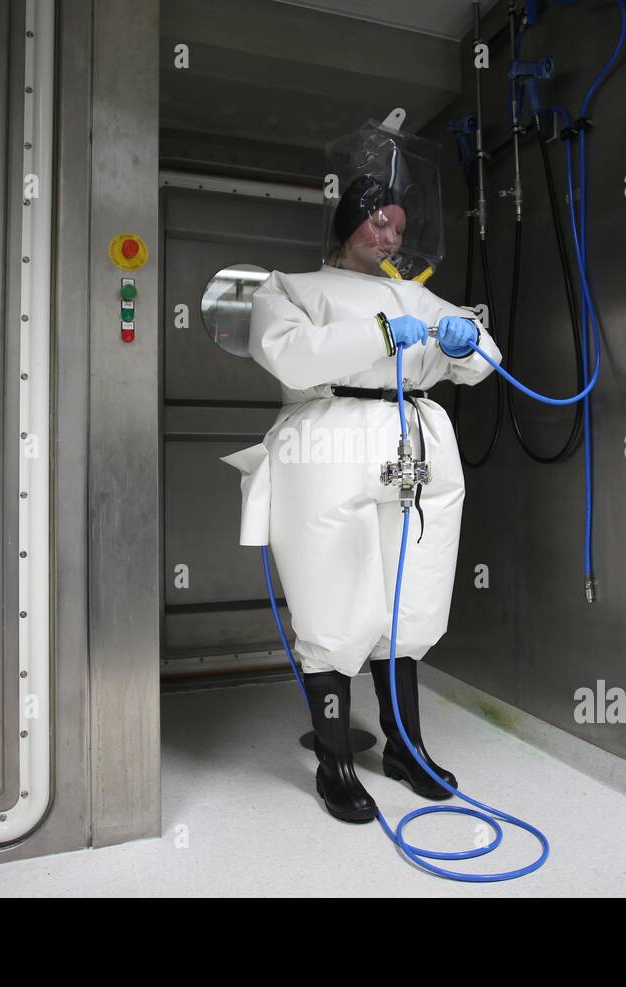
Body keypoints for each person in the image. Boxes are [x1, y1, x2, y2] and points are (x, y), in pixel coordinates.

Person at [221, 119, 502, 823]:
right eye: (379, 223)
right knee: (334, 602)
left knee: (409, 603)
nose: (390, 238)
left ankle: (404, 745)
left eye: (399, 228)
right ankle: (336, 758)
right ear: (348, 223)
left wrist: (467, 338)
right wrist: (376, 335)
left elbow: (481, 360)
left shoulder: (415, 295)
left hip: (414, 442)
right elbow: (289, 355)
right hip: (327, 443)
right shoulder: (287, 288)